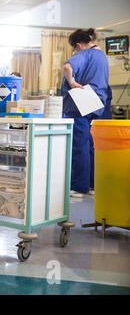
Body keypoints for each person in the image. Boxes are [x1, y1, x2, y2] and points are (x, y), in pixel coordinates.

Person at [61, 28, 112, 197]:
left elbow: (67, 66)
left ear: (78, 45)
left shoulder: (86, 54)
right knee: (90, 144)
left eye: (75, 49)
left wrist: (73, 82)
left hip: (81, 103)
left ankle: (78, 187)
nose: (75, 52)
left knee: (79, 145)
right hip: (97, 104)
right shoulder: (102, 56)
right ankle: (91, 185)